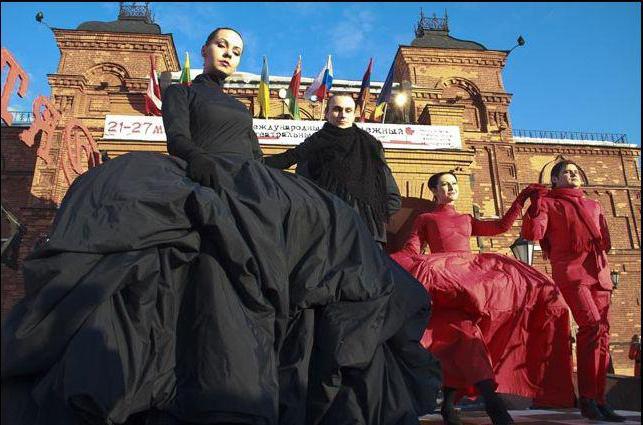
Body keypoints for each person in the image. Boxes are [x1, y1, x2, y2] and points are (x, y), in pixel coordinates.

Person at [1, 28, 442, 425]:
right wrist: (197, 161)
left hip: (246, 179)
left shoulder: (236, 104)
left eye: (236, 50)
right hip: (203, 171)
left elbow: (255, 156)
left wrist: (282, 183)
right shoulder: (181, 92)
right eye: (222, 46)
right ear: (206, 49)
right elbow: (177, 137)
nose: (229, 54)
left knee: (334, 221)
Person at [391, 171, 576, 425]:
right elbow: (412, 248)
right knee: (465, 341)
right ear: (434, 191)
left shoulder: (466, 218)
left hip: (470, 283)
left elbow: (499, 227)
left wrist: (520, 201)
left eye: (453, 184)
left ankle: (451, 405)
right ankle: (492, 404)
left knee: (465, 343)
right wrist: (390, 263)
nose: (451, 188)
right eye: (444, 185)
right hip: (446, 287)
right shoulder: (426, 218)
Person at [521, 160, 625, 422]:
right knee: (591, 327)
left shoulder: (593, 204)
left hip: (599, 272)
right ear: (554, 180)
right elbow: (534, 234)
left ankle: (600, 399)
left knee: (603, 334)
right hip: (571, 272)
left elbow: (606, 239)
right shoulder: (549, 203)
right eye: (566, 172)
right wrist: (534, 205)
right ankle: (588, 398)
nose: (573, 175)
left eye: (575, 171)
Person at [264, 94, 401, 247]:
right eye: (337, 109)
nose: (343, 114)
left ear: (354, 114)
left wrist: (373, 215)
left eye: (348, 110)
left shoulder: (370, 145)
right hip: (328, 235)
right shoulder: (314, 144)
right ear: (326, 113)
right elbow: (293, 167)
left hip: (367, 234)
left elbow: (391, 195)